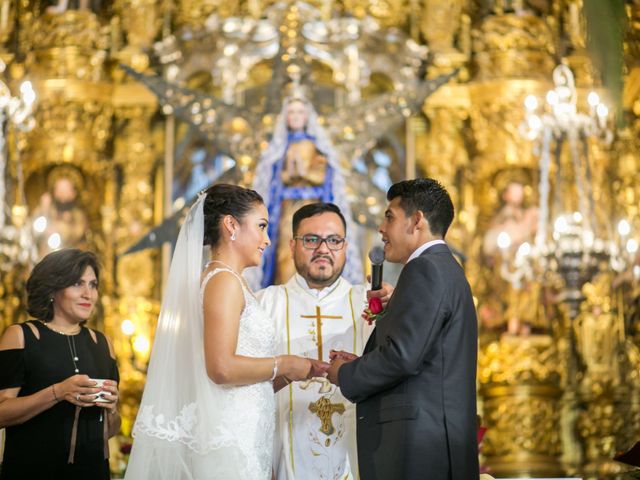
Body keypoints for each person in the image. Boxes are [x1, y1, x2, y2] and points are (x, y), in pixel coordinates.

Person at [125, 184, 326, 480]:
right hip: (228, 440)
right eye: (261, 227)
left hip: (244, 433)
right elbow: (221, 368)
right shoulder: (223, 282)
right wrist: (283, 363)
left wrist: (294, 372)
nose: (267, 240)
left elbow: (241, 378)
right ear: (231, 225)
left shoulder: (233, 282)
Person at [327, 178, 479, 480]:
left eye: (389, 217)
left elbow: (403, 356)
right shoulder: (445, 269)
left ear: (417, 220)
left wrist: (343, 374)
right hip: (435, 443)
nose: (382, 229)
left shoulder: (425, 268)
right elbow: (424, 354)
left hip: (420, 450)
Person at [257, 202, 391, 479]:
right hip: (282, 459)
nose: (323, 249)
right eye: (311, 240)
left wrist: (395, 310)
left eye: (333, 240)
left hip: (358, 459)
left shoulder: (371, 302)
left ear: (345, 246)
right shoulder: (265, 304)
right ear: (292, 246)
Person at [0, 248, 120, 480]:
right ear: (53, 289)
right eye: (77, 283)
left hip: (92, 472)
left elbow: (111, 431)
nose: (89, 294)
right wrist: (57, 392)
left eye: (93, 285)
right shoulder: (22, 336)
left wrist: (112, 408)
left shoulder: (103, 343)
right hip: (33, 471)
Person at [250, 95, 363, 288]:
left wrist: (305, 173)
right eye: (291, 112)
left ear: (307, 116)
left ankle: (315, 287)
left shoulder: (316, 146)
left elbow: (324, 176)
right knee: (287, 252)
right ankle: (286, 289)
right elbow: (274, 179)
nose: (295, 116)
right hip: (286, 210)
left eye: (300, 112)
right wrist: (288, 174)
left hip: (311, 206)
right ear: (285, 116)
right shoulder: (279, 148)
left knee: (314, 246)